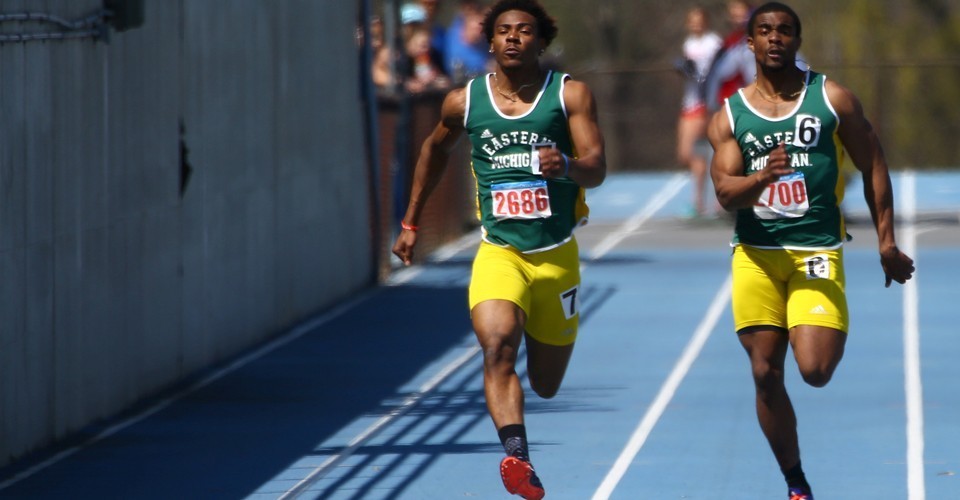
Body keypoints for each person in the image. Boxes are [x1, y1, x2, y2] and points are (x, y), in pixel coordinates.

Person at [391, 1, 606, 498]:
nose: (513, 38)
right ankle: (518, 460)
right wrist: (410, 220)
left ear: (540, 41)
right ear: (489, 42)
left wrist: (569, 167)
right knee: (497, 345)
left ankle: (537, 362)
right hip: (499, 252)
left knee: (547, 383)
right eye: (503, 31)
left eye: (524, 31)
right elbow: (433, 150)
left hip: (556, 255)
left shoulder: (570, 95)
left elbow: (597, 165)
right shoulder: (463, 102)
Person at [706, 3, 915, 499]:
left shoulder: (832, 98)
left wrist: (886, 241)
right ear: (749, 44)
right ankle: (796, 482)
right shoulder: (732, 115)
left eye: (784, 31)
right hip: (756, 253)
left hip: (815, 250)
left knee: (815, 370)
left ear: (797, 42)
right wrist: (762, 177)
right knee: (763, 371)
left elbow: (874, 162)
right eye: (764, 31)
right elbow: (724, 192)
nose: (775, 38)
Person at [675, 7, 722, 217]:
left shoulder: (714, 42)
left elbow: (716, 70)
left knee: (696, 152)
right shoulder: (689, 43)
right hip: (689, 102)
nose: (695, 24)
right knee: (686, 155)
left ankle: (707, 201)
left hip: (704, 102)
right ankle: (702, 201)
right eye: (691, 20)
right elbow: (689, 72)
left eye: (699, 20)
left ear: (706, 21)